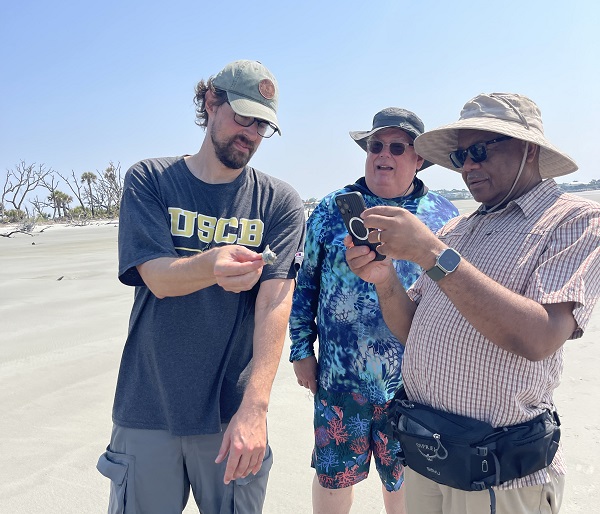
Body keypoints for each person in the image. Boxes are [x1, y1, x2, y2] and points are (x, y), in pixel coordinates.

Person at [345, 93, 600, 514]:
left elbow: (539, 337)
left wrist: (430, 254)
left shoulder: (573, 219)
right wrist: (384, 279)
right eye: (462, 155)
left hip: (501, 470)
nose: (467, 167)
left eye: (479, 151)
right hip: (429, 452)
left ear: (529, 149)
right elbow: (412, 329)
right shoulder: (457, 228)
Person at [96, 60, 306, 514]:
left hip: (232, 415)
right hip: (148, 405)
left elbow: (274, 303)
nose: (250, 134)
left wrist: (256, 409)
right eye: (243, 116)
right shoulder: (150, 180)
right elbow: (157, 277)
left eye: (262, 125)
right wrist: (212, 264)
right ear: (211, 103)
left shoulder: (280, 202)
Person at [289, 108, 458, 514]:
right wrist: (300, 351)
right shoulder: (332, 208)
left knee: (405, 482)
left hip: (413, 384)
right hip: (338, 379)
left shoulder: (443, 215)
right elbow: (306, 283)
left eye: (398, 147)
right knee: (334, 477)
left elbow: (452, 301)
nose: (384, 154)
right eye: (375, 145)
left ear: (418, 160)